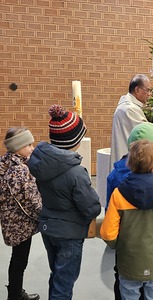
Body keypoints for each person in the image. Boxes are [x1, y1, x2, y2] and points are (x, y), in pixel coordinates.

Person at [28, 105, 101, 299]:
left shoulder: (41, 163)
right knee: (65, 282)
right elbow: (90, 206)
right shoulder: (76, 172)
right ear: (74, 140)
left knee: (57, 275)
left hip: (48, 227)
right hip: (69, 233)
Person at [101, 140, 153, 300]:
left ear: (130, 164)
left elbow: (108, 234)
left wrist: (119, 246)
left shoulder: (118, 194)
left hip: (128, 263)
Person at [0, 127, 42, 300]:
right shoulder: (20, 170)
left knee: (17, 259)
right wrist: (43, 215)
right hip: (20, 224)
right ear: (17, 147)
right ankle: (15, 295)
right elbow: (30, 201)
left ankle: (15, 292)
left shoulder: (5, 162)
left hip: (11, 221)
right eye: (28, 144)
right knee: (19, 260)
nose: (32, 148)